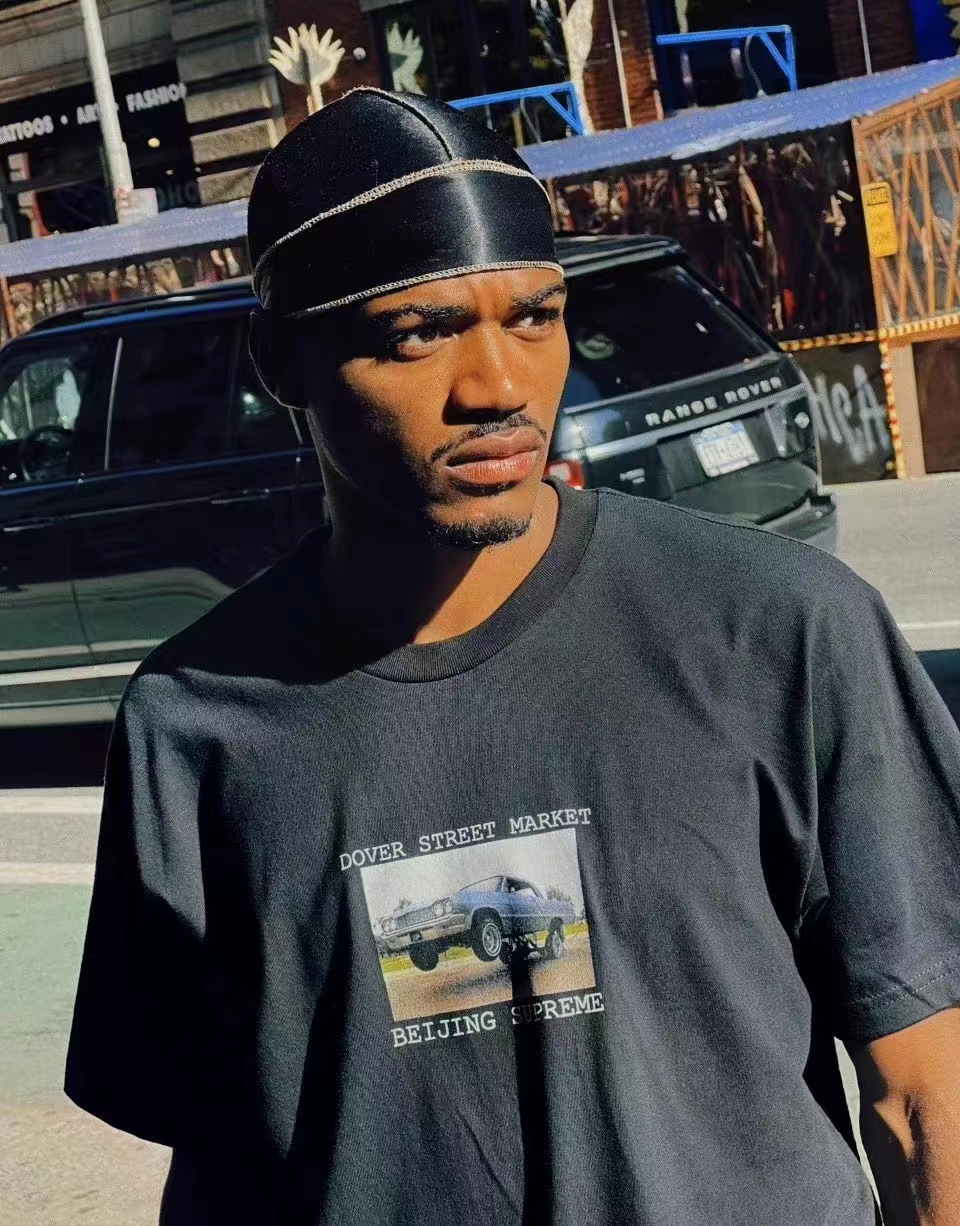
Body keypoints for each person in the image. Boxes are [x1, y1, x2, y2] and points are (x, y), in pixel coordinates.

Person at [65, 88, 960, 1226]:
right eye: (418, 332)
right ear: (282, 362)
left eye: (536, 317)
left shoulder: (781, 633)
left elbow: (929, 1095)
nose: (498, 385)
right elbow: (217, 1161)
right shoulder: (195, 723)